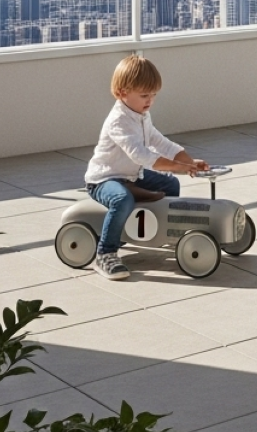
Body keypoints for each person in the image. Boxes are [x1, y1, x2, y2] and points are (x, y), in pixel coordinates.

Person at [84, 54, 211, 279]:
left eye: (153, 95)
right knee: (121, 199)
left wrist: (188, 162)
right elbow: (141, 155)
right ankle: (105, 254)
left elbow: (160, 142)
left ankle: (162, 231)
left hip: (131, 175)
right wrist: (177, 166)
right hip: (105, 179)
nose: (150, 101)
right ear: (122, 92)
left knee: (170, 185)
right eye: (144, 95)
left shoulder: (142, 115)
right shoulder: (118, 121)